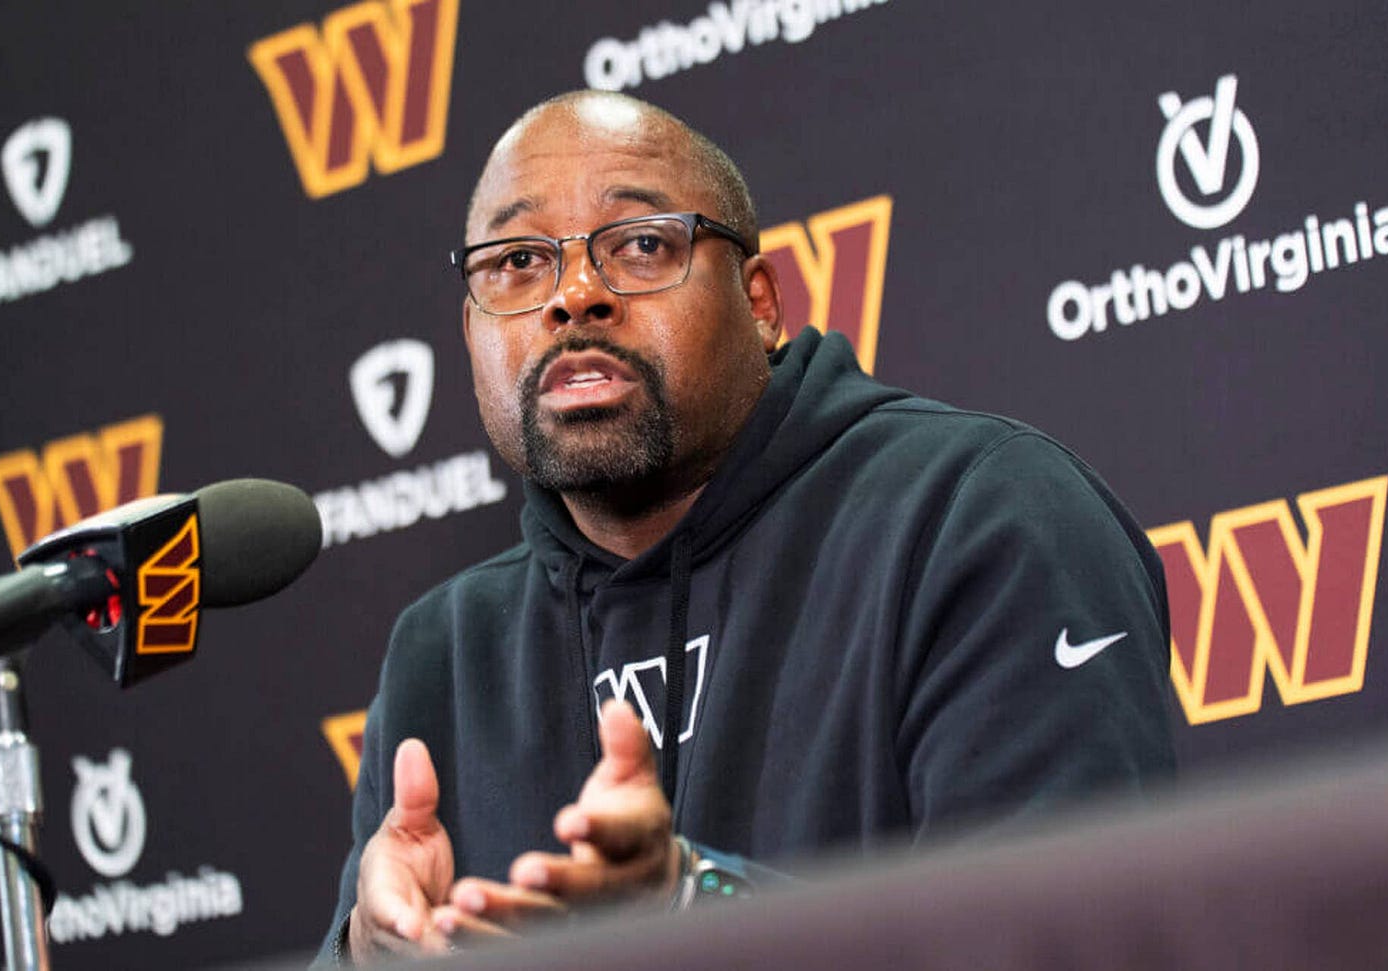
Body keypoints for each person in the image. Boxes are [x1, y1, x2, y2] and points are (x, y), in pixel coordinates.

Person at [319, 90, 1176, 962]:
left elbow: (1070, 938)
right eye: (516, 262)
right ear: (470, 330)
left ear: (760, 303)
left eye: (642, 244)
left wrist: (700, 903)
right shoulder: (442, 649)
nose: (574, 296)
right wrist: (368, 948)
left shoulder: (981, 517)